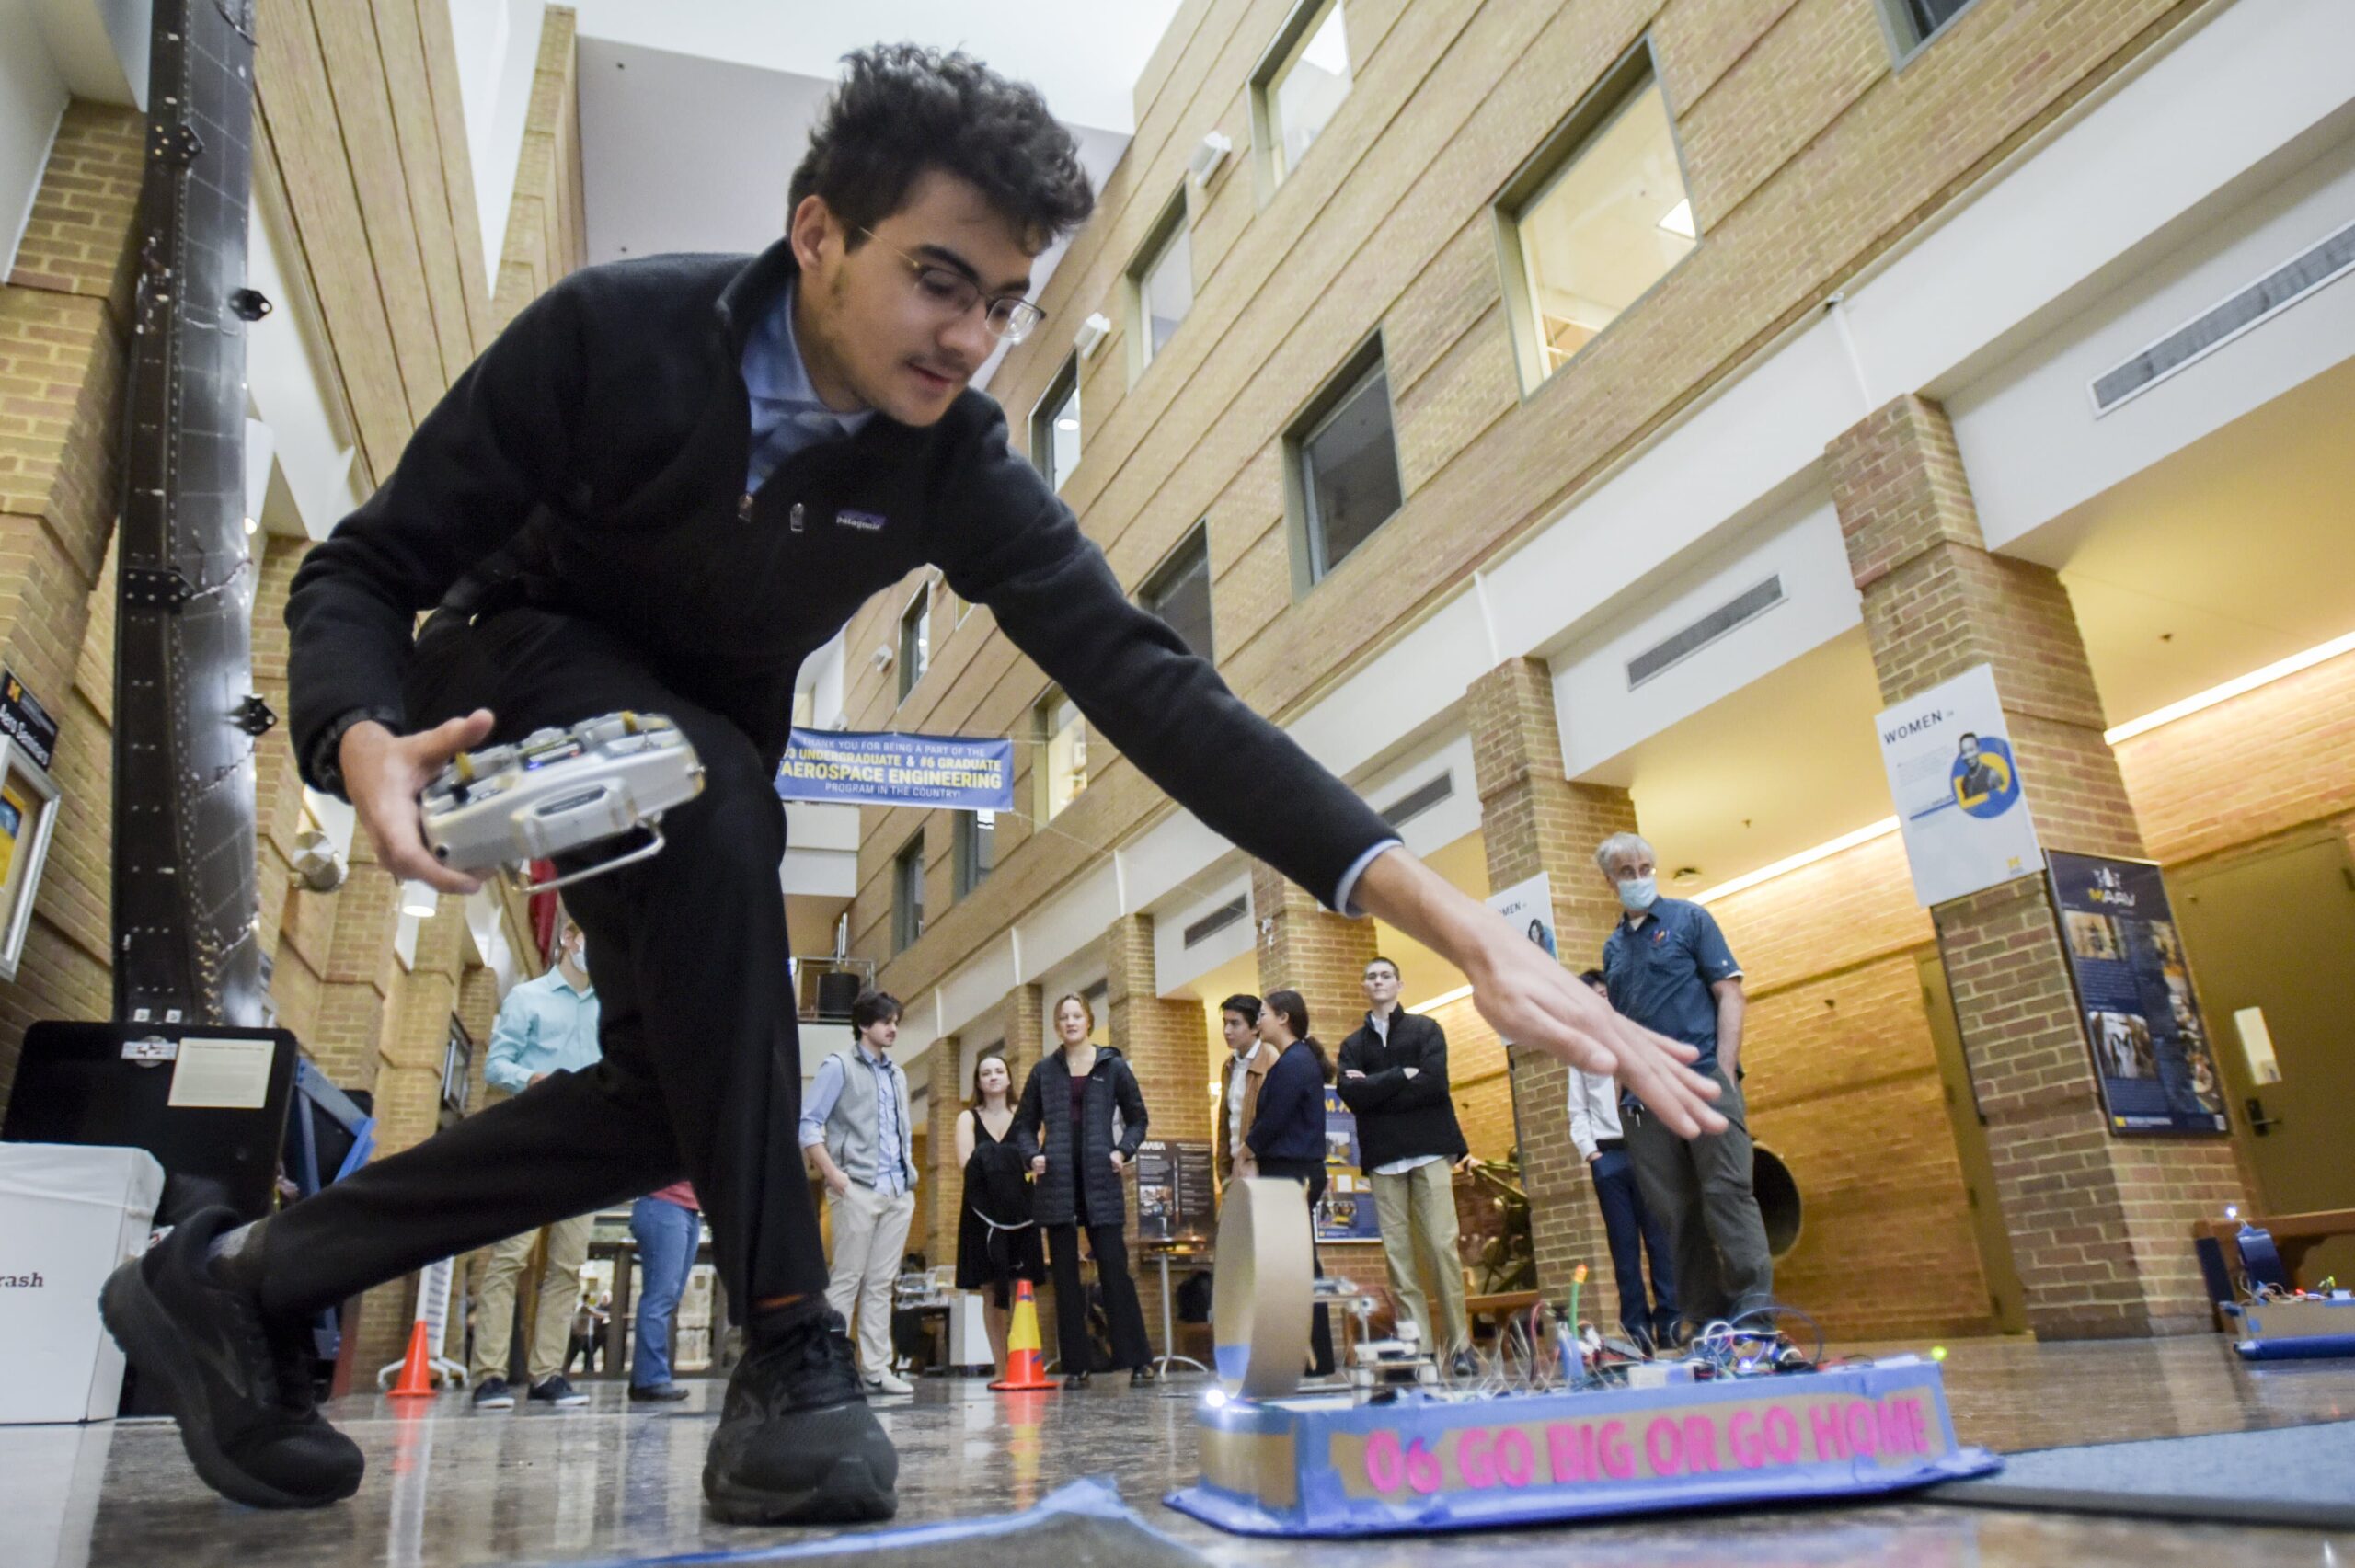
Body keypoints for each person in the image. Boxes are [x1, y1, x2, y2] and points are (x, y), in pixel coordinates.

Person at [99, 44, 1720, 1524]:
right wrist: (356, 737)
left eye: (1005, 301)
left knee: (673, 1095)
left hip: (692, 774)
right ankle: (793, 1346)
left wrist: (1463, 930)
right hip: (513, 676)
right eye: (939, 279)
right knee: (720, 786)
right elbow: (364, 570)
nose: (970, 335)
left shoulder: (951, 458)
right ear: (817, 234)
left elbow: (1156, 690)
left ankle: (242, 1276)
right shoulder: (612, 335)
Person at [1595, 832, 1772, 1331]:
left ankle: (1754, 1317)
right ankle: (1708, 1322)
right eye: (1626, 872)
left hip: (1703, 1085)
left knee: (1728, 1194)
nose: (1638, 878)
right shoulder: (1613, 948)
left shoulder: (1691, 920)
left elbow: (1730, 994)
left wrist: (1725, 1070)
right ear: (1610, 881)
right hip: (1644, 1102)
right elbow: (1620, 1029)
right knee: (1676, 1213)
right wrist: (1621, 1094)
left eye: (1645, 867)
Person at [468, 918, 600, 1412]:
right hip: (528, 1140)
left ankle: (548, 1373)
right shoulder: (527, 998)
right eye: (590, 939)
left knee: (567, 1265)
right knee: (510, 1257)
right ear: (569, 938)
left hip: (582, 1148)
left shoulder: (608, 1010)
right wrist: (532, 1078)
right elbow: (495, 1065)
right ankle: (490, 1374)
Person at [1337, 956, 1476, 1378]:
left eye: (1385, 975)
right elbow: (1352, 1096)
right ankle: (1420, 1349)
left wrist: (1376, 1087)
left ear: (1400, 984)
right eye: (1371, 975)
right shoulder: (1352, 1045)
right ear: (1364, 986)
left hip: (1432, 1149)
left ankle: (1462, 1347)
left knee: (1440, 1247)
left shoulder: (1425, 1030)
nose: (1378, 981)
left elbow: (1434, 1083)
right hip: (1383, 1158)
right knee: (1399, 1260)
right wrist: (1402, 1075)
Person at [1013, 994, 1155, 1388]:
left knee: (1115, 1272)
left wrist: (1122, 1150)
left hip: (1101, 1181)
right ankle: (1077, 1365)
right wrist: (1032, 1155)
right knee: (1065, 1276)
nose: (1070, 1021)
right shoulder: (1044, 1071)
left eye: (1077, 1015)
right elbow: (1024, 1125)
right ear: (1056, 1025)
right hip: (1057, 1182)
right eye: (1063, 1016)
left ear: (1089, 1021)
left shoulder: (1113, 1067)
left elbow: (1138, 1119)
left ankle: (1138, 1360)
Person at [800, 991, 918, 1397]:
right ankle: (825, 1365)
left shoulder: (897, 1074)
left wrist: (907, 1183)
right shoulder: (839, 1067)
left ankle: (876, 1368)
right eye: (886, 1021)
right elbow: (809, 1125)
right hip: (856, 1189)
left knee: (882, 1282)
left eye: (896, 1021)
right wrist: (834, 1176)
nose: (893, 1028)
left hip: (897, 1192)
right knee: (847, 1278)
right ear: (864, 1025)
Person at [1569, 969, 1677, 1350]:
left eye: (1604, 992)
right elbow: (1577, 1109)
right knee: (1624, 1248)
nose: (1600, 999)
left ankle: (1671, 1320)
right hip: (1609, 1156)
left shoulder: (1637, 1037)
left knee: (1660, 1241)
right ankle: (1637, 1327)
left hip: (1647, 1151)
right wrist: (1592, 1154)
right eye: (1592, 995)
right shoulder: (1580, 1050)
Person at [1242, 990, 1337, 1377]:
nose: (1258, 1020)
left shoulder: (1295, 1062)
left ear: (1282, 1018)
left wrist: (1245, 1151)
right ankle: (1307, 1356)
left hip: (1292, 1172)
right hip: (1288, 1171)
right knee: (1295, 1263)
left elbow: (1274, 1118)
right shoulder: (1289, 1062)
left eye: (1262, 1013)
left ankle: (1312, 1357)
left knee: (1297, 1266)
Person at [953, 1050, 1042, 1376]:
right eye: (985, 1072)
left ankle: (1024, 1362)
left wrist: (994, 1160)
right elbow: (967, 1163)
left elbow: (1033, 1159)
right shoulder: (967, 1119)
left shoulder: (1025, 1115)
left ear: (1008, 1078)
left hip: (1022, 1212)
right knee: (990, 1287)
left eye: (998, 1071)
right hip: (982, 1214)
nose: (992, 1076)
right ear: (978, 1081)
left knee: (1022, 1284)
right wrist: (1007, 1163)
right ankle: (1002, 1367)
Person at [627, 1181, 702, 1402]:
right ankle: (651, 1380)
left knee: (667, 1297)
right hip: (663, 1203)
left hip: (689, 1209)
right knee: (660, 1297)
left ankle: (644, 1377)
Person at [1214, 993, 1278, 1187]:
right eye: (1225, 1023)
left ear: (1256, 1026)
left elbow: (1272, 1119)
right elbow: (1226, 1122)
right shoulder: (1229, 1065)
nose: (1227, 1031)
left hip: (1263, 1168)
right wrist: (1224, 1172)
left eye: (1235, 1024)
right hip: (1236, 1168)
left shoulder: (1272, 1059)